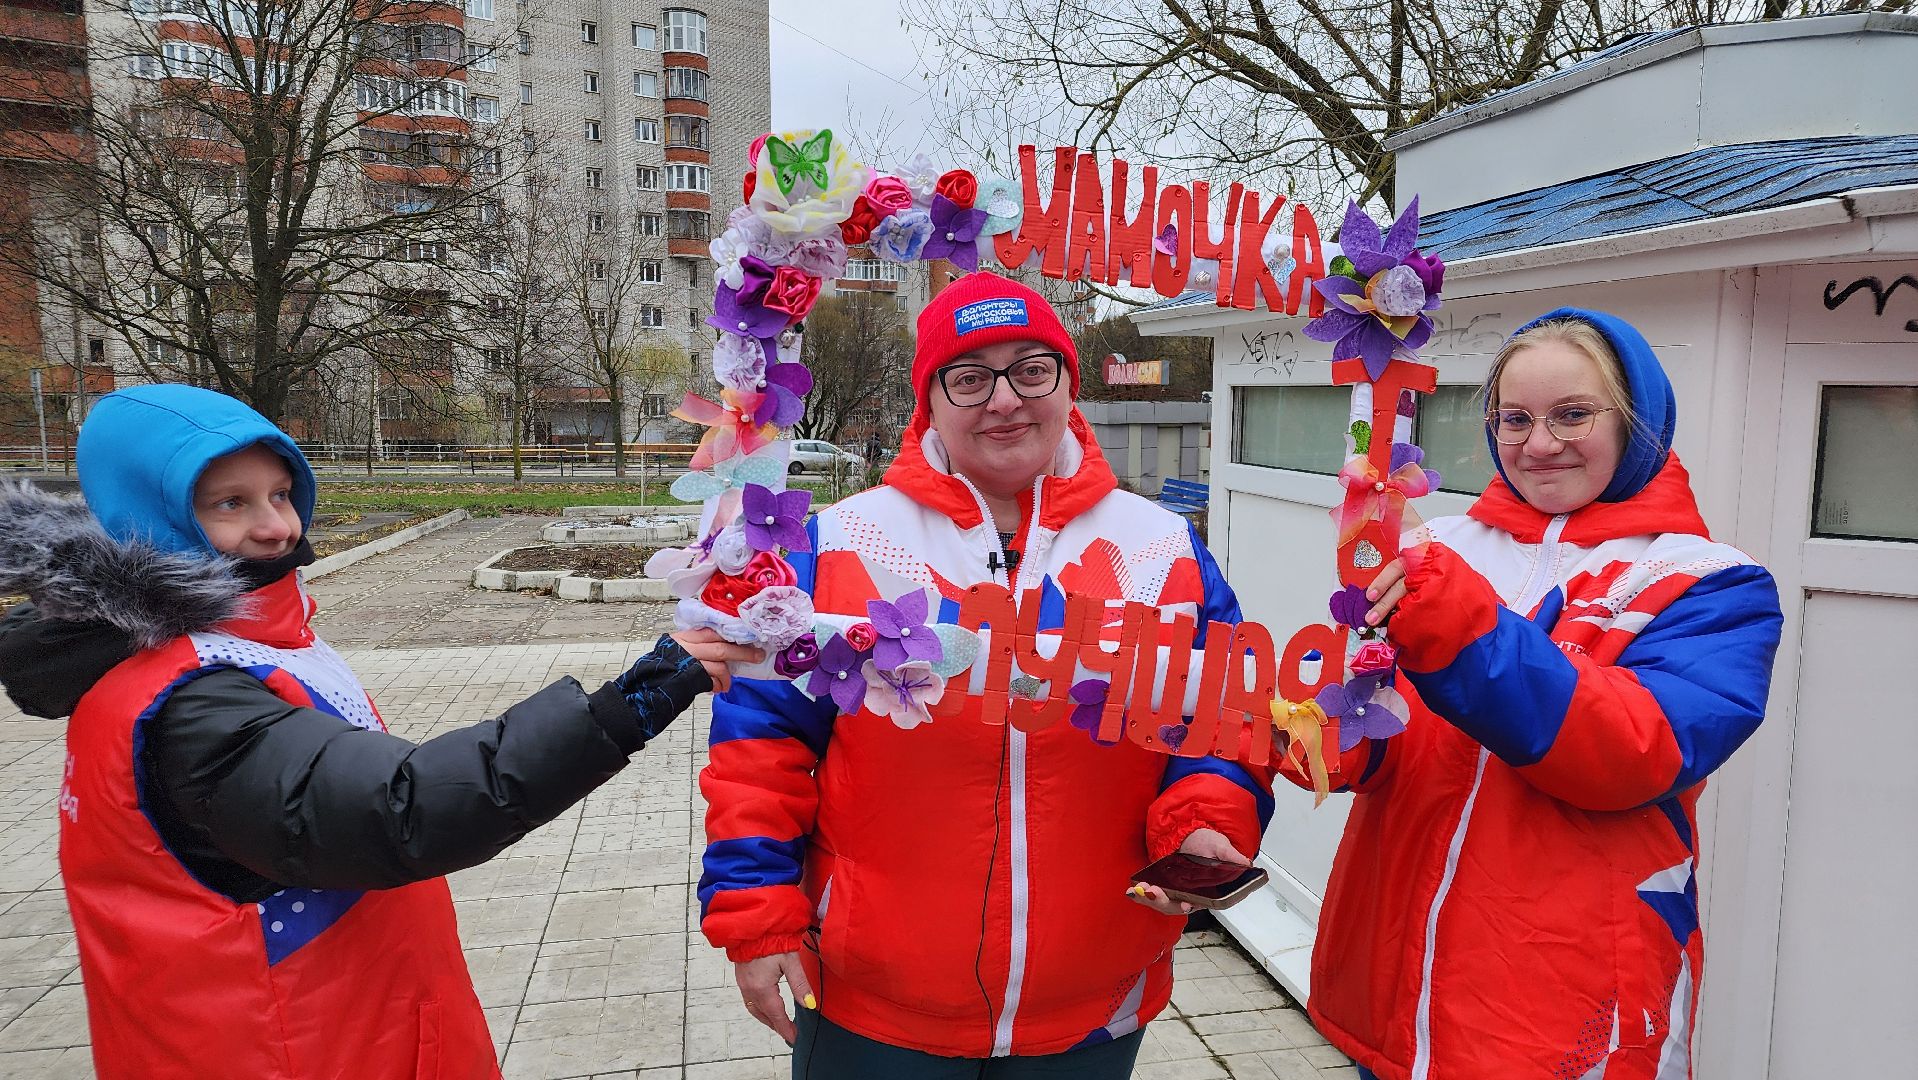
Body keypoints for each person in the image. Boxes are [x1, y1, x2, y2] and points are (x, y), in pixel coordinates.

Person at [0, 383, 759, 1080]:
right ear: (148, 518)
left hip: (330, 1024)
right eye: (230, 504)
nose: (277, 528)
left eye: (280, 493)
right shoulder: (192, 703)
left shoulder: (211, 648)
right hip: (292, 1045)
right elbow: (401, 810)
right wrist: (637, 698)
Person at [697, 272, 1274, 1076]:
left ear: (1068, 383)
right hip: (872, 1004)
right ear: (927, 402)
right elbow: (760, 749)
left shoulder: (1163, 550)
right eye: (968, 378)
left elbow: (1221, 724)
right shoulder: (837, 545)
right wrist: (757, 918)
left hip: (1091, 1003)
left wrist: (1204, 823)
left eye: (1031, 369)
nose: (1005, 399)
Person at [1281, 309, 1783, 1080]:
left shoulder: (1713, 582)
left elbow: (1632, 750)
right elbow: (1393, 726)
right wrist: (1326, 740)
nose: (1539, 443)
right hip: (1394, 982)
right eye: (1514, 418)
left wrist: (1455, 621)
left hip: (1560, 1008)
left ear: (1639, 419)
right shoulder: (1440, 546)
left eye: (1572, 414)